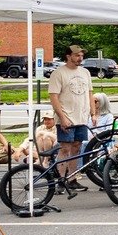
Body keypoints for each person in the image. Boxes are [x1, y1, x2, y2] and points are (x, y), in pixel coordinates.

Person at [49, 45, 95, 188]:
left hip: (81, 116)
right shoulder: (58, 73)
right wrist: (62, 117)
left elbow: (90, 93)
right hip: (67, 116)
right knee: (65, 148)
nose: (80, 58)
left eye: (81, 55)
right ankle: (61, 179)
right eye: (76, 55)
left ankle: (72, 178)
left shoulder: (85, 72)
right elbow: (53, 97)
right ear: (68, 56)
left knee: (77, 147)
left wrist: (93, 113)